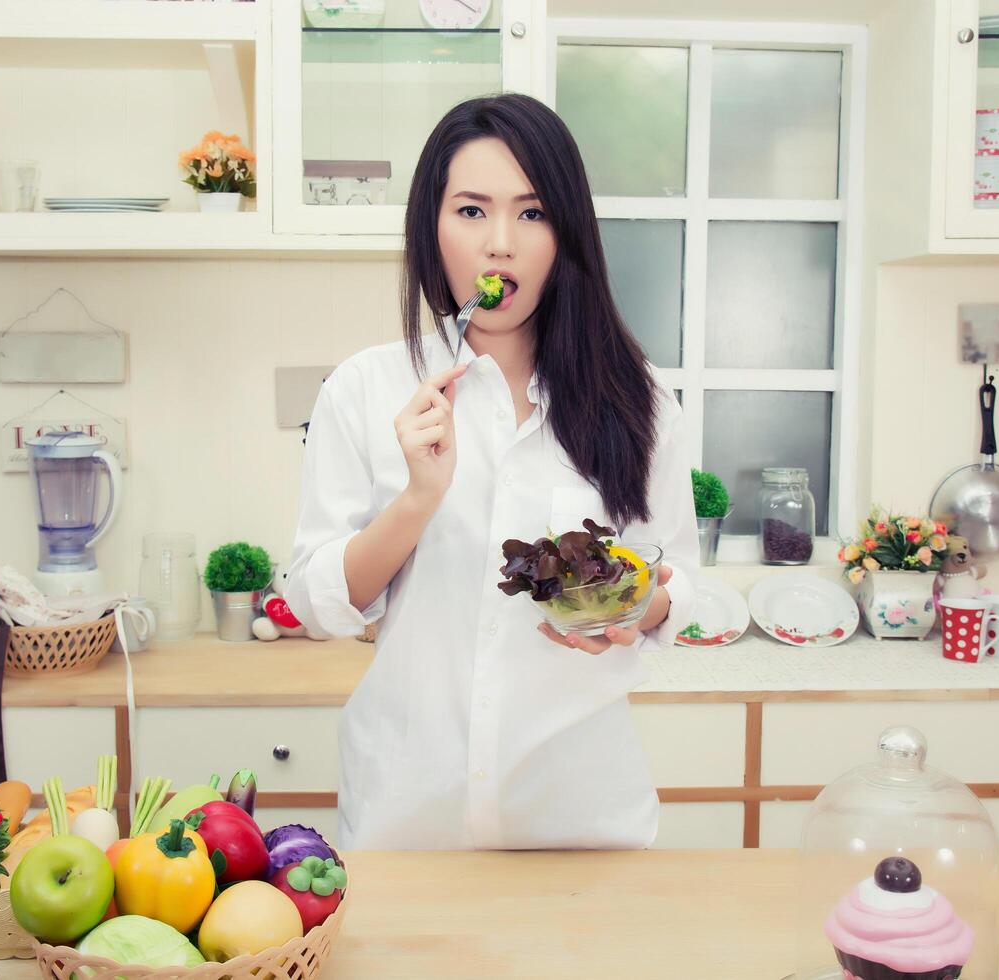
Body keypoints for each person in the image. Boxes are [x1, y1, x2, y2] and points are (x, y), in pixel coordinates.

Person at [285, 93, 698, 851]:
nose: (499, 243)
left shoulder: (637, 402)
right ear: (432, 228)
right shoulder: (365, 389)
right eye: (472, 211)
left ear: (566, 233)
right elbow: (319, 607)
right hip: (406, 816)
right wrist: (418, 498)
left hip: (580, 819)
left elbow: (682, 587)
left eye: (532, 214)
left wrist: (636, 611)